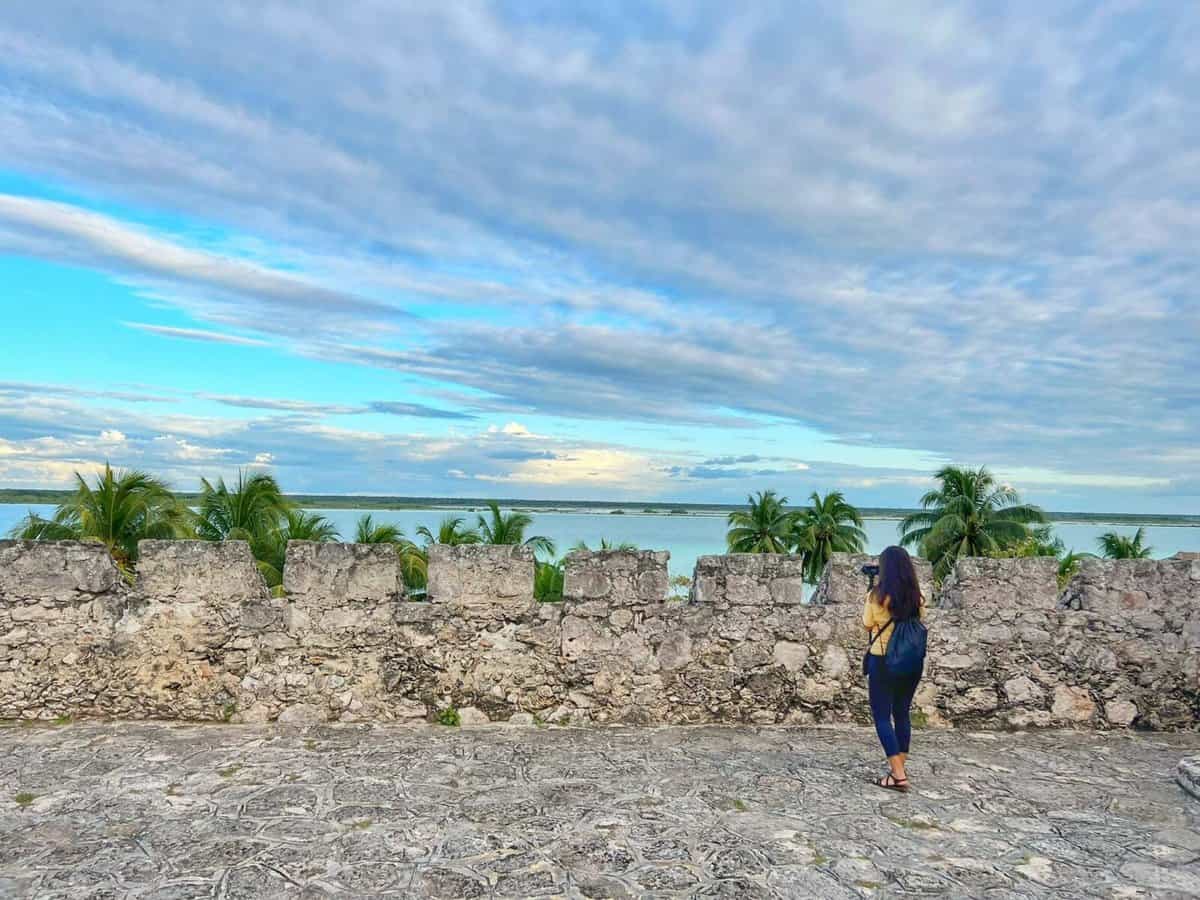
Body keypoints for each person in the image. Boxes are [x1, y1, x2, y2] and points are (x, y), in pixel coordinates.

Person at [862, 545, 925, 792]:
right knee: (902, 713)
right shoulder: (916, 596)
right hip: (911, 662)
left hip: (883, 661)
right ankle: (898, 768)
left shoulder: (876, 597)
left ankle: (898, 775)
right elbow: (920, 618)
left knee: (881, 715)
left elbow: (867, 624)